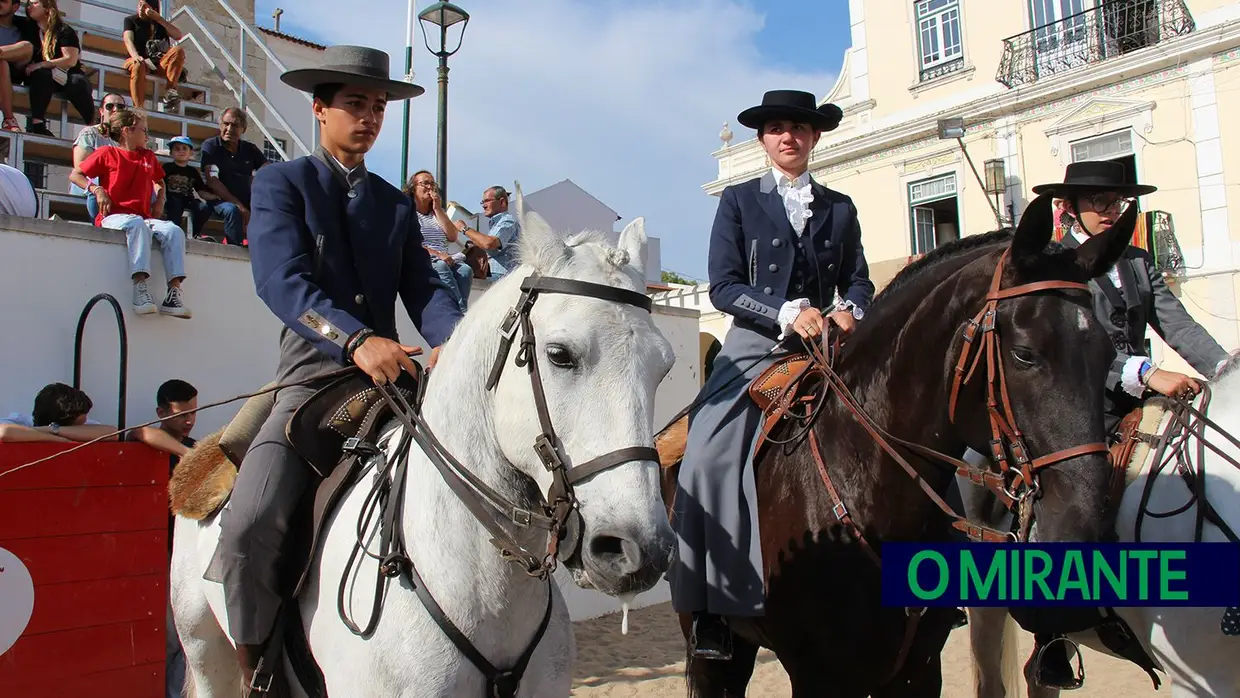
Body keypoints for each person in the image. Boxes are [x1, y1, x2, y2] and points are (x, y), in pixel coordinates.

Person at [220, 44, 462, 695]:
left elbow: (426, 290)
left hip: (395, 381)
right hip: (313, 381)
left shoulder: (392, 204)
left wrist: (455, 340)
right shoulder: (280, 183)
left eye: (379, 106)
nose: (370, 117)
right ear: (320, 107)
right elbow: (281, 281)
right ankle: (260, 668)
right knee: (249, 523)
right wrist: (356, 340)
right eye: (356, 103)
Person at [1006, 160, 1231, 689]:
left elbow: (1178, 324)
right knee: (1074, 498)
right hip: (1082, 404)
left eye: (1119, 203)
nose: (1112, 212)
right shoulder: (1053, 262)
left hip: (1150, 397)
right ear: (1071, 207)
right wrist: (1149, 372)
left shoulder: (1135, 260)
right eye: (1101, 203)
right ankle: (1053, 632)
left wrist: (1227, 372)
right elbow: (1064, 349)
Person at [669, 89, 875, 660]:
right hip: (756, 344)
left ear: (814, 137)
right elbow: (724, 287)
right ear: (764, 140)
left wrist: (847, 311)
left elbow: (859, 281)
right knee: (707, 453)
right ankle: (709, 604)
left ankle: (925, 585)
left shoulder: (840, 207)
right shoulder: (738, 201)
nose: (790, 136)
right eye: (778, 128)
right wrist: (785, 311)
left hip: (830, 347)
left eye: (800, 128)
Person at [68, 106, 192, 319]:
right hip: (114, 216)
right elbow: (76, 175)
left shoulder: (148, 156)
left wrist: (160, 198)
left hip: (142, 217)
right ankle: (140, 286)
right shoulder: (107, 153)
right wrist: (97, 189)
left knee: (173, 230)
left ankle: (173, 293)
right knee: (137, 224)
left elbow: (159, 180)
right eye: (143, 130)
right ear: (127, 131)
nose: (147, 135)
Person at [21, 0, 96, 137]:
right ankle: (38, 124)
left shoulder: (63, 30)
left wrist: (43, 63)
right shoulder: (28, 28)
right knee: (41, 74)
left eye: (35, 2)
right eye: (28, 3)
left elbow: (70, 60)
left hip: (67, 74)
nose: (29, 6)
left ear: (47, 7)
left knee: (76, 83)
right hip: (44, 79)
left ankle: (94, 126)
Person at [405, 169, 471, 311]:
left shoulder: (436, 214)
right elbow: (410, 243)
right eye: (425, 183)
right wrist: (437, 254)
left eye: (432, 184)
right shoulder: (409, 213)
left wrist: (438, 208)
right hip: (425, 258)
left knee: (465, 270)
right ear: (413, 188)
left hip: (445, 258)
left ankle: (460, 310)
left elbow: (452, 236)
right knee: (441, 266)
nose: (430, 187)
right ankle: (459, 313)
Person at [200, 107, 267, 238]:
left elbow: (268, 169)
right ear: (220, 125)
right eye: (226, 124)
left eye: (235, 125)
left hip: (247, 199)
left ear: (244, 129)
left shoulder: (250, 149)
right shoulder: (211, 146)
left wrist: (258, 180)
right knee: (232, 210)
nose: (229, 129)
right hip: (220, 200)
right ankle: (235, 247)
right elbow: (212, 180)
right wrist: (238, 205)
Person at [163, 135, 242, 243]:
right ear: (171, 153)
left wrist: (213, 196)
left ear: (191, 153)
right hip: (171, 197)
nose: (181, 151)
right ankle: (173, 234)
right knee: (175, 207)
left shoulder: (192, 171)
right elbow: (160, 183)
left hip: (188, 198)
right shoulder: (167, 168)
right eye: (177, 149)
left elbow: (200, 190)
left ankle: (195, 233)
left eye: (185, 148)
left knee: (204, 208)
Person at [122, 0, 186, 110]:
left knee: (178, 50)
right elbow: (128, 40)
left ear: (153, 9)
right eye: (139, 4)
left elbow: (178, 35)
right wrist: (135, 56)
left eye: (144, 5)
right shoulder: (131, 20)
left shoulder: (159, 23)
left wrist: (159, 19)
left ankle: (170, 91)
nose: (141, 8)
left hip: (157, 63)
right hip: (138, 61)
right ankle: (139, 108)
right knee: (138, 65)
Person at [71, 92, 125, 221]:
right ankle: (99, 228)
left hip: (115, 184)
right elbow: (80, 167)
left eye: (120, 107)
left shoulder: (127, 138)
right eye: (110, 106)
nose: (115, 109)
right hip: (86, 183)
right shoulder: (90, 133)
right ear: (101, 111)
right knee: (100, 183)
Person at [452, 185, 522, 280]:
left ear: (502, 202)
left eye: (487, 201)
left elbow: (489, 243)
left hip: (502, 278)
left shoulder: (508, 221)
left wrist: (464, 228)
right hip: (493, 276)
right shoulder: (497, 224)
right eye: (483, 202)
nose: (484, 206)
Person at [0, 0, 35, 132]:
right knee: (1, 63)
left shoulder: (24, 26)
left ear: (15, 7)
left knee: (27, 46)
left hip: (13, 70)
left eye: (4, 1)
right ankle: (9, 119)